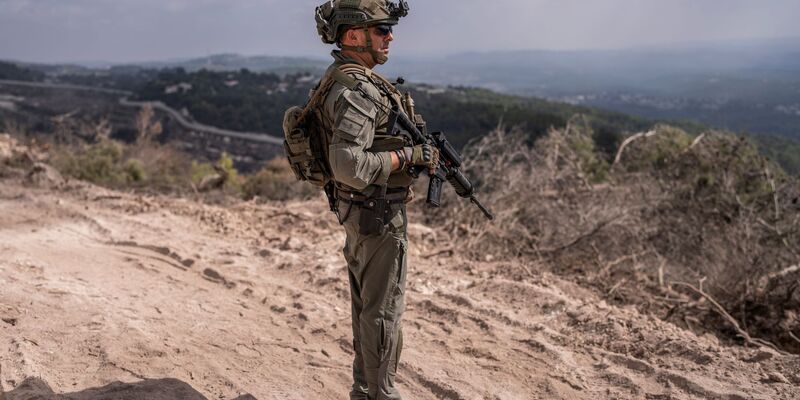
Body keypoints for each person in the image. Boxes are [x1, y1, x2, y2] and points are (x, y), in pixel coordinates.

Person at [311, 1, 437, 399]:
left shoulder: (348, 80)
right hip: (376, 215)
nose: (390, 37)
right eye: (382, 29)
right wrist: (408, 157)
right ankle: (381, 393)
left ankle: (365, 390)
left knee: (369, 309)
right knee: (383, 312)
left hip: (363, 210)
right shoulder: (356, 90)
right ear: (353, 36)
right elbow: (347, 164)